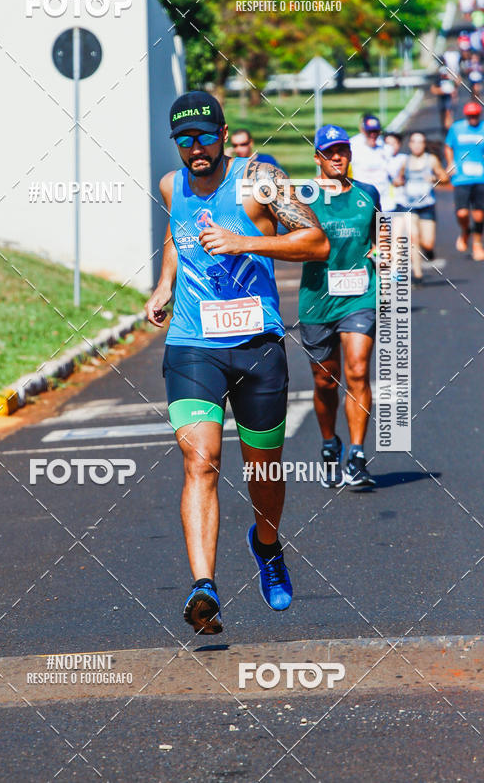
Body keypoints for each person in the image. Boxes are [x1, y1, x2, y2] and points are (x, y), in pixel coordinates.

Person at [145, 90, 329, 634]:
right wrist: (164, 285)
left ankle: (267, 546)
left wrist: (243, 242)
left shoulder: (258, 181)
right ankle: (204, 586)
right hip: (192, 344)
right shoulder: (171, 185)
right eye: (185, 139)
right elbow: (178, 234)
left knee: (263, 470)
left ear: (223, 134)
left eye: (205, 136)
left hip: (257, 346)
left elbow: (315, 243)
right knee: (200, 461)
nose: (195, 148)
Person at [299, 124, 380, 491]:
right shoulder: (303, 197)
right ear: (317, 157)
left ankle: (357, 456)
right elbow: (287, 241)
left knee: (358, 370)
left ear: (350, 154)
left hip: (360, 296)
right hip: (316, 300)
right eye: (329, 151)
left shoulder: (367, 193)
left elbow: (381, 236)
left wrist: (384, 257)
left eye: (342, 150)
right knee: (325, 381)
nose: (337, 157)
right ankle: (330, 444)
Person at [393, 131, 449, 285]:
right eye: (414, 142)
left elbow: (445, 178)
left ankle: (429, 251)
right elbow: (398, 179)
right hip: (410, 206)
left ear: (424, 144)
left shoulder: (431, 160)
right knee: (413, 237)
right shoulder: (405, 161)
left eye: (420, 142)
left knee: (428, 242)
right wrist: (398, 182)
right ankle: (417, 275)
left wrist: (435, 178)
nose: (417, 145)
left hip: (427, 205)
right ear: (410, 144)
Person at [445, 102, 484, 261]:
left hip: (480, 177)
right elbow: (448, 146)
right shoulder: (456, 128)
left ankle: (477, 244)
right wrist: (450, 163)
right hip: (461, 177)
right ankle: (465, 230)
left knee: (479, 215)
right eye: (470, 116)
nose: (473, 118)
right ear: (466, 116)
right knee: (462, 212)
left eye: (475, 115)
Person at [349, 114, 395, 211]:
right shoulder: (353, 147)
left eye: (376, 131)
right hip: (362, 203)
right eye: (369, 131)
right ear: (362, 130)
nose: (373, 135)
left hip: (385, 203)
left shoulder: (386, 148)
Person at [430, 64, 458, 134]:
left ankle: (449, 128)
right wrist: (441, 91)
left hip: (448, 98)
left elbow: (456, 86)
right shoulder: (438, 80)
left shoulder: (450, 79)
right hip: (441, 99)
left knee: (448, 112)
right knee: (442, 113)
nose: (444, 75)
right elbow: (433, 89)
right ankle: (444, 127)